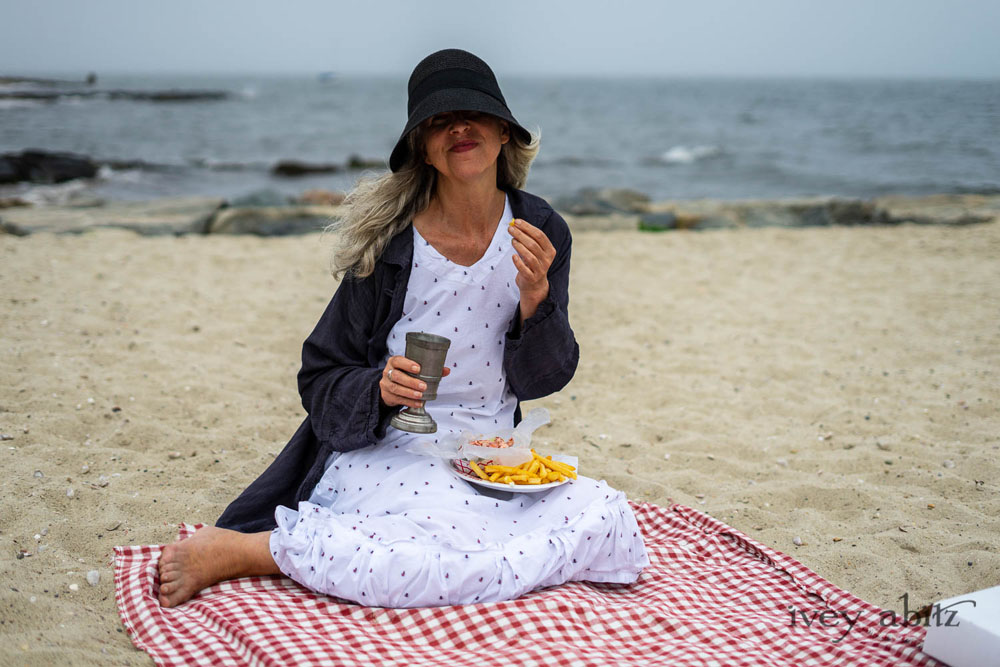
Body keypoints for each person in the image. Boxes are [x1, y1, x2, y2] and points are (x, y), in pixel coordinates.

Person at [157, 48, 648, 609]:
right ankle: (249, 551)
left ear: (504, 134)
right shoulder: (391, 243)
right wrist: (379, 389)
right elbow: (320, 376)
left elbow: (544, 378)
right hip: (398, 453)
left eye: (474, 114)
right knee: (420, 557)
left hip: (495, 458)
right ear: (423, 148)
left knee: (613, 525)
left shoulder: (540, 228)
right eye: (439, 121)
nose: (459, 128)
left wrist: (537, 298)